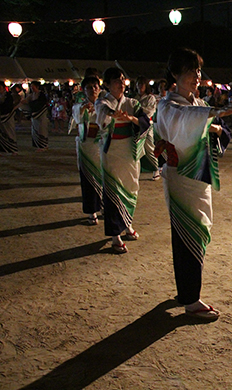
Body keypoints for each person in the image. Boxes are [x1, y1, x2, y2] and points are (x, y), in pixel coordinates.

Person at [155, 47, 232, 320]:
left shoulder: (198, 105)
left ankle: (185, 291)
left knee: (193, 232)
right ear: (175, 74)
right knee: (188, 233)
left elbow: (209, 125)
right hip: (181, 176)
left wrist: (213, 123)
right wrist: (213, 119)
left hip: (198, 175)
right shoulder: (169, 105)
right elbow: (184, 120)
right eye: (190, 71)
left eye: (198, 71)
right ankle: (191, 299)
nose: (196, 76)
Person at [95, 67, 150, 254]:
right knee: (113, 191)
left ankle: (127, 224)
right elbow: (102, 111)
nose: (121, 82)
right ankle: (114, 236)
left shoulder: (132, 103)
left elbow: (145, 121)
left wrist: (131, 118)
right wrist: (112, 114)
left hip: (129, 150)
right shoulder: (103, 101)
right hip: (112, 152)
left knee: (131, 187)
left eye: (122, 79)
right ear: (108, 84)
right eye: (116, 80)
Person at [73, 76, 103, 225]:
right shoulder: (79, 106)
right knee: (88, 179)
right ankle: (92, 211)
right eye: (89, 87)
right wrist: (84, 108)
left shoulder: (104, 104)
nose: (93, 89)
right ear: (84, 90)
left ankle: (103, 207)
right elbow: (76, 118)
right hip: (86, 146)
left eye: (95, 86)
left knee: (104, 178)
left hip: (101, 146)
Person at [134, 76, 160, 180]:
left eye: (142, 84)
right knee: (136, 148)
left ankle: (156, 168)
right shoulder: (134, 98)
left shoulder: (150, 98)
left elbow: (150, 112)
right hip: (136, 124)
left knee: (149, 148)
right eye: (138, 84)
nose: (140, 86)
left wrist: (138, 110)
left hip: (147, 125)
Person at [0, 81, 19, 155]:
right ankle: (1, 151)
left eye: (0, 87)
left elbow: (8, 106)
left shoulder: (8, 96)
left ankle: (13, 150)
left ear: (4, 88)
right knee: (0, 134)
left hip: (7, 117)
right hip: (0, 117)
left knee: (9, 132)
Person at [23, 81, 50, 151]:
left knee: (42, 130)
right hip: (34, 115)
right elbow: (25, 101)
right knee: (35, 130)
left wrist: (31, 103)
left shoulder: (41, 95)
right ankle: (38, 145)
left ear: (37, 87)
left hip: (41, 115)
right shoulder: (31, 95)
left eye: (33, 87)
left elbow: (41, 104)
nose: (32, 88)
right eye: (31, 87)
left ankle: (44, 145)